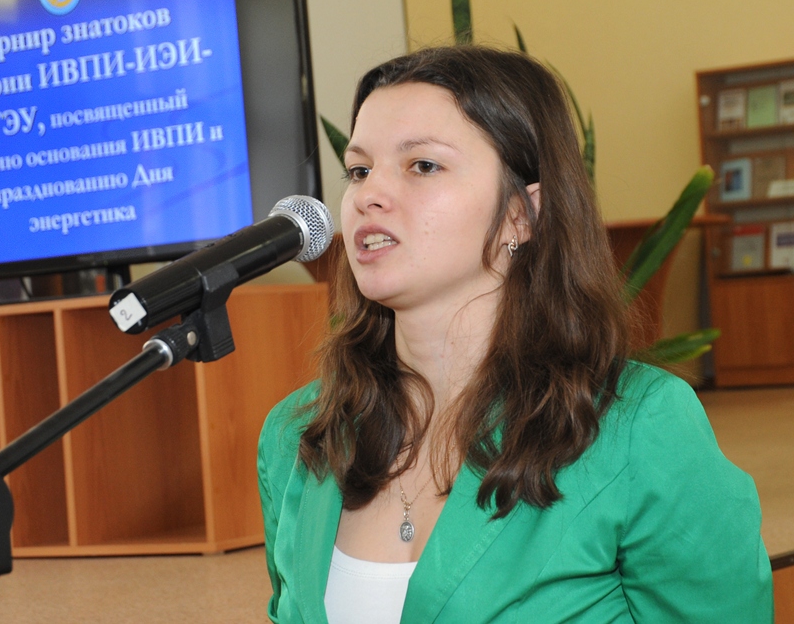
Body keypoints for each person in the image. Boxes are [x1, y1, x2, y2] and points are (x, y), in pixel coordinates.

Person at [257, 45, 772, 623]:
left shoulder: (640, 427)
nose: (368, 194)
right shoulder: (296, 437)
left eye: (422, 165)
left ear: (520, 214)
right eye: (359, 170)